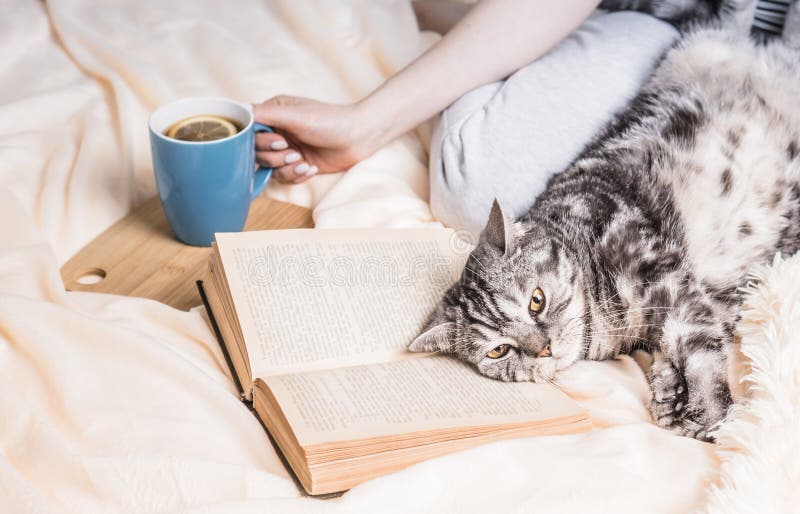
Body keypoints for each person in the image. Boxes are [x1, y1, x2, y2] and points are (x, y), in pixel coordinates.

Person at [251, 0, 680, 234]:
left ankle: (486, 26)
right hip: (680, 27)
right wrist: (364, 125)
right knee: (482, 198)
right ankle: (491, 34)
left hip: (733, 65)